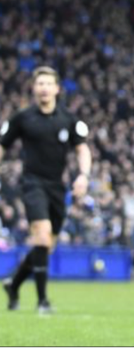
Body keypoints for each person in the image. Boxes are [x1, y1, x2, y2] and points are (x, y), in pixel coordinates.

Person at [0, 67, 92, 314]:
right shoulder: (22, 118)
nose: (43, 88)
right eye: (39, 83)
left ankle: (13, 284)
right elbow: (2, 145)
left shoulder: (68, 119)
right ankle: (42, 302)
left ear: (57, 89)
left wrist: (83, 176)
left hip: (57, 187)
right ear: (34, 87)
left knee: (46, 246)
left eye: (48, 83)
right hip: (32, 184)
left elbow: (82, 149)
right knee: (41, 237)